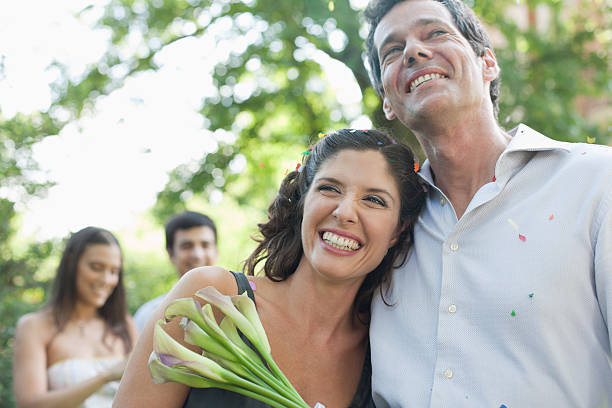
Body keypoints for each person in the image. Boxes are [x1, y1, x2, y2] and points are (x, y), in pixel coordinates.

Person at [364, 0, 612, 406]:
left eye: (435, 33)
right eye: (392, 51)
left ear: (488, 63)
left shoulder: (598, 182)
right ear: (388, 102)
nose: (413, 51)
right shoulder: (381, 226)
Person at [113, 129, 425, 408]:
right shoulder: (211, 296)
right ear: (303, 201)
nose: (344, 212)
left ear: (398, 231)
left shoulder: (384, 354)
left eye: (373, 200)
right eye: (330, 189)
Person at [13, 226, 138, 408]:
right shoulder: (35, 326)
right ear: (71, 263)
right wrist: (105, 377)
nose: (105, 279)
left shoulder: (124, 324)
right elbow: (30, 404)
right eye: (96, 267)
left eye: (113, 271)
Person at [133, 211, 219, 332]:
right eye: (187, 246)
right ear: (171, 254)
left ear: (216, 251)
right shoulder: (148, 315)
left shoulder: (237, 309)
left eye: (205, 245)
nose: (197, 255)